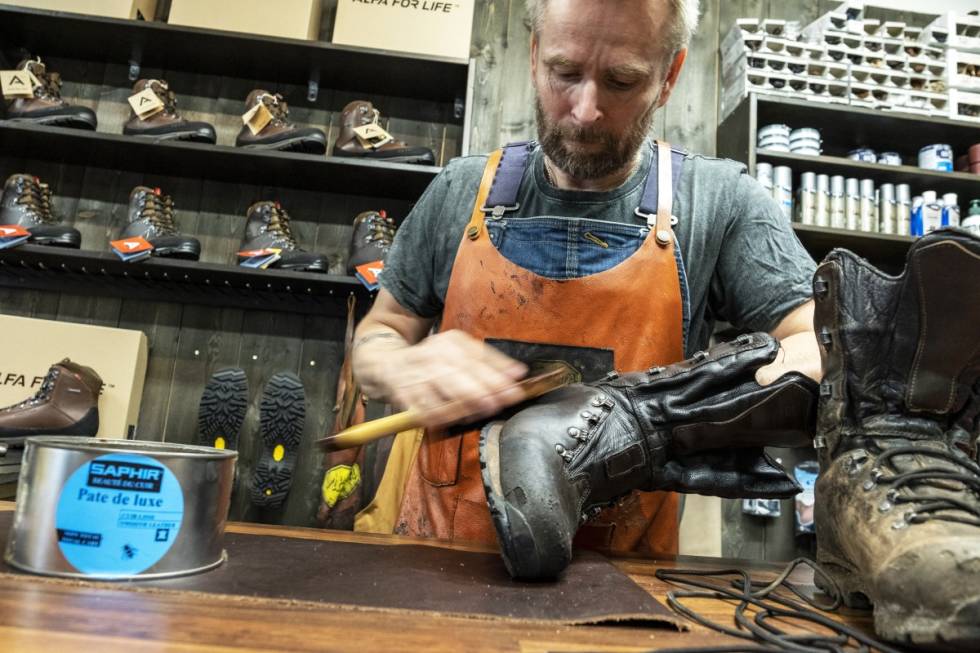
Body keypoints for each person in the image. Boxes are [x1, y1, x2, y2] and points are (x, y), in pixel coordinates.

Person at [350, 0, 821, 555]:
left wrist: (657, 418)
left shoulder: (718, 203)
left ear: (669, 76)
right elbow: (380, 334)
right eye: (565, 72)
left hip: (621, 576)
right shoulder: (460, 190)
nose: (585, 109)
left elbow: (822, 343)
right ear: (534, 56)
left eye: (621, 81)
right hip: (442, 558)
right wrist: (401, 364)